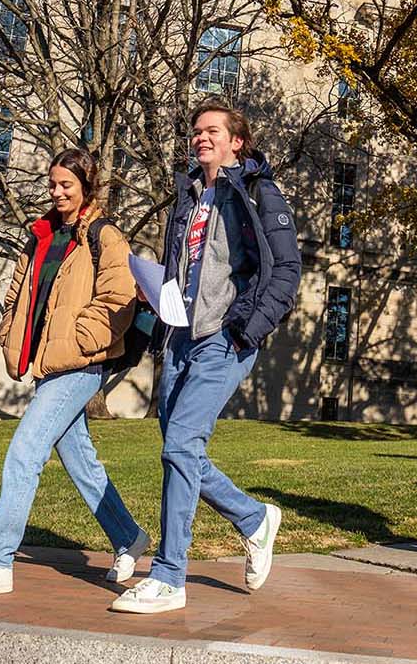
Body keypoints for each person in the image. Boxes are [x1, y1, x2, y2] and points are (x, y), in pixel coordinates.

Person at [110, 103, 303, 614]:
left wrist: (249, 331)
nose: (200, 138)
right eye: (196, 131)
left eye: (212, 131)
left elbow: (286, 270)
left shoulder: (260, 192)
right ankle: (255, 519)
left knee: (180, 446)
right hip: (179, 338)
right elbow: (183, 266)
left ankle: (170, 576)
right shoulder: (190, 193)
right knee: (181, 451)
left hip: (225, 336)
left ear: (236, 141)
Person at [0, 149, 149, 596]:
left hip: (80, 362)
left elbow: (119, 298)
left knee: (25, 451)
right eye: (52, 184)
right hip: (46, 363)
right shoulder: (40, 234)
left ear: (86, 187)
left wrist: (77, 341)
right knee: (81, 460)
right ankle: (128, 536)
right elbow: (19, 291)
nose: (56, 192)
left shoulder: (105, 235)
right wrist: (9, 330)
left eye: (66, 185)